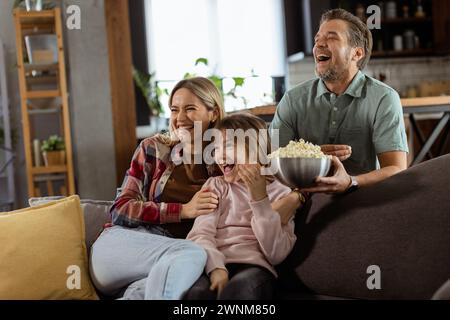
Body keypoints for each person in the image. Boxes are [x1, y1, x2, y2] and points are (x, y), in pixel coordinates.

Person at [89, 77, 225, 299]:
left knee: (144, 293)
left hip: (165, 265)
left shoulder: (225, 161)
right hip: (120, 247)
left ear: (214, 113)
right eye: (174, 109)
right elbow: (120, 209)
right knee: (192, 253)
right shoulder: (153, 149)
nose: (180, 118)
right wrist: (183, 210)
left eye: (190, 109)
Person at [270, 8, 409, 194]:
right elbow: (268, 163)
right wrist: (312, 156)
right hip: (305, 201)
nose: (319, 44)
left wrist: (350, 182)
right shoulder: (292, 99)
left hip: (362, 198)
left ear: (356, 54)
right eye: (317, 39)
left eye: (331, 37)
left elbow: (397, 169)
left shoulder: (384, 98)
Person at [184, 113, 303, 300]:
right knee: (196, 294)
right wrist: (216, 268)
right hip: (212, 263)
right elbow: (201, 234)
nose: (219, 156)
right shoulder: (216, 186)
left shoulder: (282, 192)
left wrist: (260, 199)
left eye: (228, 146)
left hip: (255, 269)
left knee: (238, 293)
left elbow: (276, 254)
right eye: (215, 148)